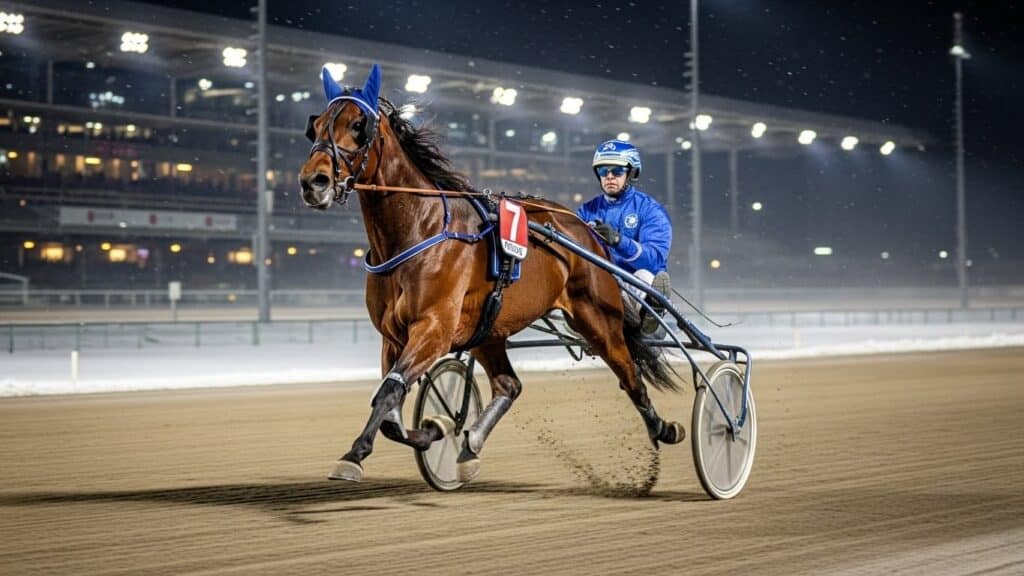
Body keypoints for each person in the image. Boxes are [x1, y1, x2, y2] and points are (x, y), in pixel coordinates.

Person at [577, 139, 673, 335]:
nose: (609, 176)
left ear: (631, 172)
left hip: (635, 283)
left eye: (617, 171)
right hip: (601, 283)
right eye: (603, 171)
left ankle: (650, 314)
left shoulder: (650, 210)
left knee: (645, 275)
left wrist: (619, 241)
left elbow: (654, 259)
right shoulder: (586, 211)